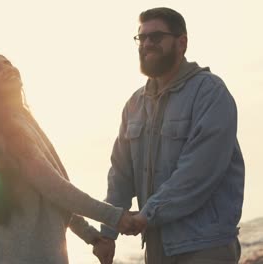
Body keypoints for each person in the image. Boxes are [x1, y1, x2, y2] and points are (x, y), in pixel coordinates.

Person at [0, 53, 144, 264]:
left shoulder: (22, 120)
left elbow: (53, 194)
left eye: (8, 63)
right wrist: (115, 217)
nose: (8, 68)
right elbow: (56, 188)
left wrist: (91, 237)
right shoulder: (6, 132)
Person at [94, 7, 245, 264]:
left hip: (205, 245)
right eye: (142, 38)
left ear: (181, 43)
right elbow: (120, 175)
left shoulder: (210, 93)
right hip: (156, 247)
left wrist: (145, 215)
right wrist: (107, 232)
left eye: (157, 37)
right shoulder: (134, 104)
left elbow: (197, 173)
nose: (148, 44)